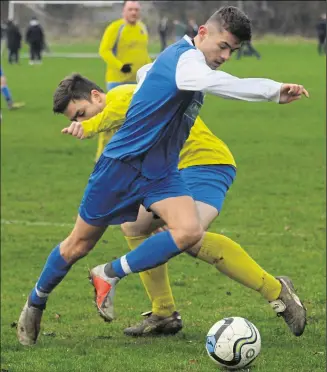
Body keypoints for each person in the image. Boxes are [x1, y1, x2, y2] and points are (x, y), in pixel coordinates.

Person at [17, 6, 308, 347]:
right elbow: (199, 83)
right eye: (223, 46)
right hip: (121, 167)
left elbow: (143, 76)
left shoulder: (179, 60)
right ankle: (35, 303)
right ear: (202, 32)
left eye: (233, 50)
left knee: (187, 232)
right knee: (78, 244)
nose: (226, 56)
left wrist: (148, 77)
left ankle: (109, 274)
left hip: (163, 171)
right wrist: (273, 91)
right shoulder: (186, 62)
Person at [57, 75, 304, 337]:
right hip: (172, 175)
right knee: (134, 224)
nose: (80, 122)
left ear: (96, 95)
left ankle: (276, 290)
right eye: (75, 120)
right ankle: (163, 313)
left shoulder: (121, 95)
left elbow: (113, 113)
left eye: (81, 113)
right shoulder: (114, 127)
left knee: (189, 234)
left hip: (205, 163)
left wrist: (88, 127)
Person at [97, 0, 151, 162]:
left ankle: (132, 152)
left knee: (137, 118)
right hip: (117, 81)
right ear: (124, 11)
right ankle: (102, 154)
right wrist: (120, 66)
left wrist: (151, 69)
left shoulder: (142, 28)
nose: (133, 12)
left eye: (136, 10)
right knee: (111, 119)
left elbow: (143, 53)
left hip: (137, 82)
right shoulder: (116, 27)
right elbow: (104, 51)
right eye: (130, 9)